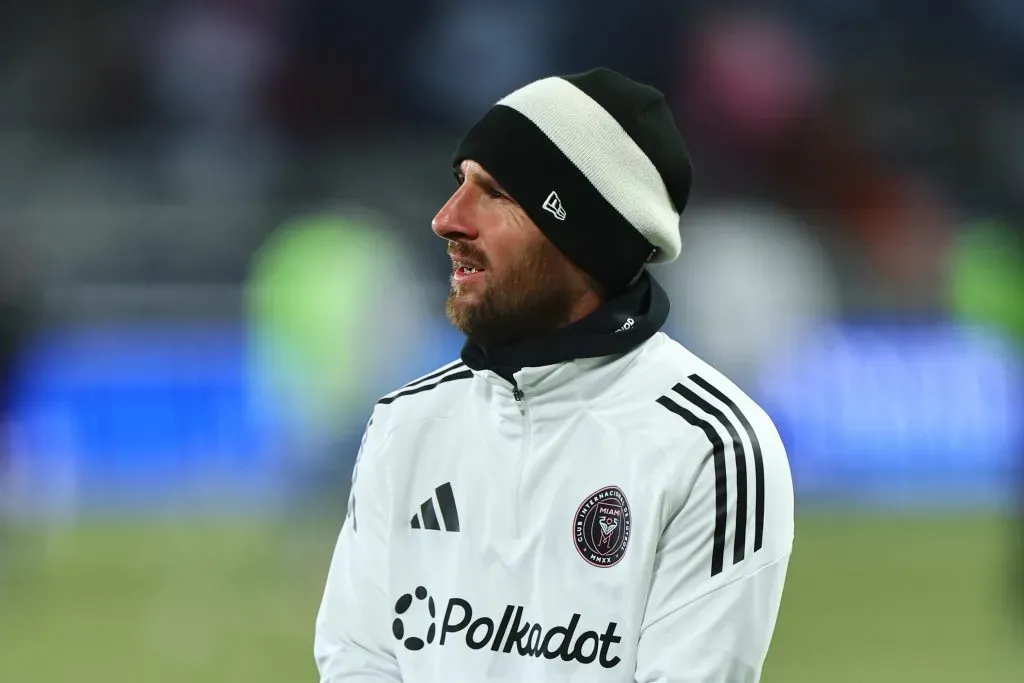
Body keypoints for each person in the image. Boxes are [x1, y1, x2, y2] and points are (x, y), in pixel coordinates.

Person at [314, 67, 794, 682]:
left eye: (497, 194)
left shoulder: (712, 449)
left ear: (584, 237)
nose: (447, 219)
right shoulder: (406, 424)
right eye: (460, 183)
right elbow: (358, 664)